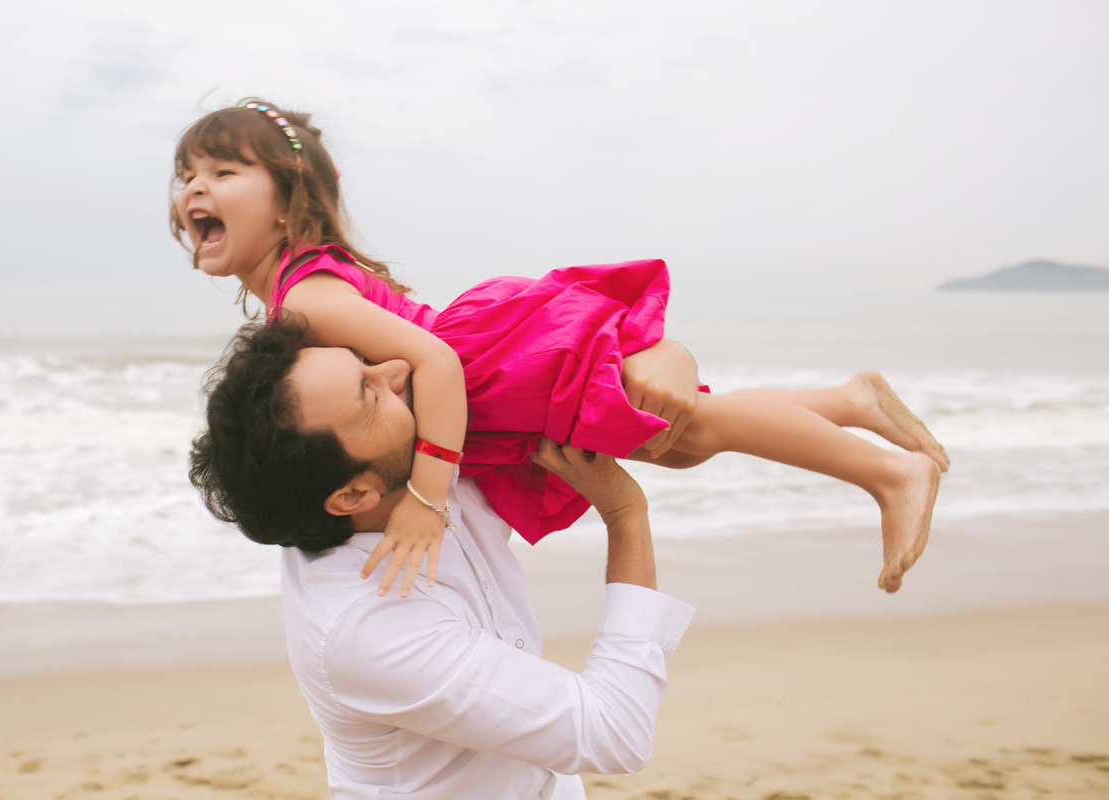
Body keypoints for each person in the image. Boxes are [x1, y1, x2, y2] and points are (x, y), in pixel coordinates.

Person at [171, 99, 949, 595]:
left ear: (290, 201)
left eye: (222, 171)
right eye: (185, 176)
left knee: (688, 433)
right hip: (493, 368)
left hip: (491, 369)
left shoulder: (304, 297)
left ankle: (888, 474)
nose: (194, 189)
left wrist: (426, 501)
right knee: (685, 433)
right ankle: (848, 401)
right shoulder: (299, 286)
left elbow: (434, 363)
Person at [189, 320, 695, 799]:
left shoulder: (421, 462)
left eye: (364, 361)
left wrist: (671, 356)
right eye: (370, 394)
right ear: (354, 495)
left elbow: (565, 336)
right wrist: (625, 514)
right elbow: (614, 733)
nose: (398, 370)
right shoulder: (369, 627)